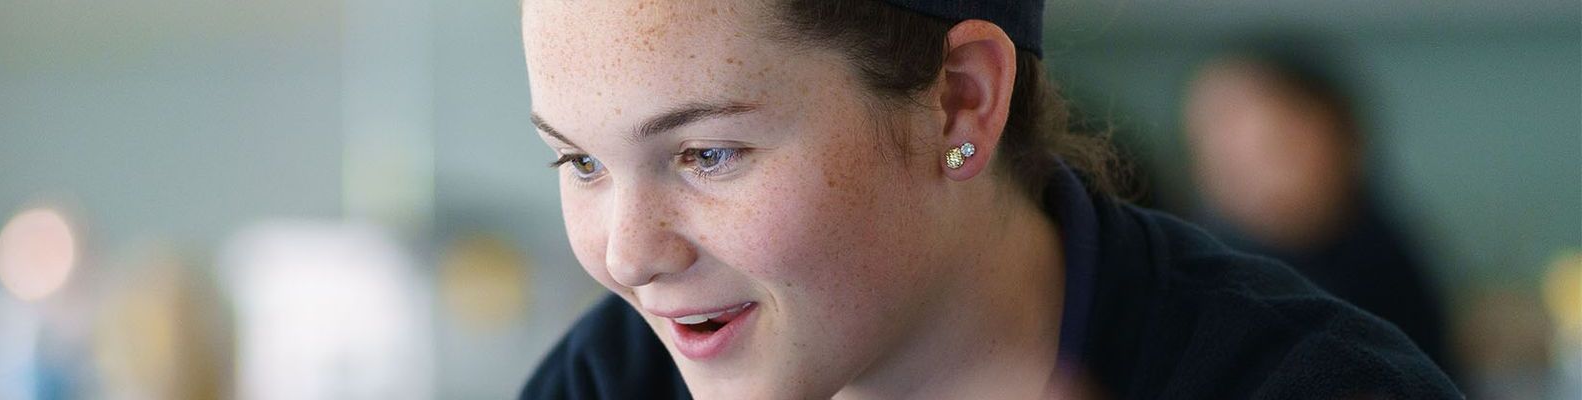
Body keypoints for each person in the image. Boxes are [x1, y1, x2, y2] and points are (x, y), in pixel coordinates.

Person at [516, 0, 1459, 398]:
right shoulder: (611, 380)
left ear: (958, 100)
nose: (627, 256)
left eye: (707, 154)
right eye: (579, 165)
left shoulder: (1307, 387)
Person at [1183, 36, 1461, 381]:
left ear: (1340, 136)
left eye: (1278, 145)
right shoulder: (1193, 271)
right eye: (1209, 138)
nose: (1230, 155)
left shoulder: (1382, 254)